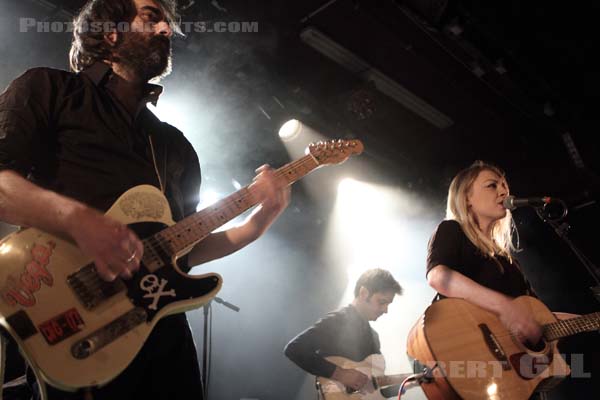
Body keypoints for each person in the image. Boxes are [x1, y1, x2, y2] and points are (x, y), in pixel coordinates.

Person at [0, 0, 290, 399]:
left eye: (167, 24)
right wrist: (78, 220)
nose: (166, 31)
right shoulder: (50, 89)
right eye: (152, 17)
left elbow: (180, 251)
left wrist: (259, 222)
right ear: (110, 30)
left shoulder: (175, 146)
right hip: (73, 321)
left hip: (161, 335)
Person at [426, 161, 577, 347]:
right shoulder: (452, 229)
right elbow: (438, 278)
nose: (504, 191)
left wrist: (584, 322)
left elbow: (538, 317)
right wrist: (505, 306)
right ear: (466, 198)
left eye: (504, 185)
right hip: (464, 347)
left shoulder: (508, 260)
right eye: (492, 185)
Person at [284, 268, 402, 393]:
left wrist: (409, 382)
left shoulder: (374, 337)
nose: (385, 310)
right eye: (382, 302)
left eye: (388, 304)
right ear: (363, 293)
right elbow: (294, 348)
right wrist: (341, 374)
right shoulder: (338, 320)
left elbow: (373, 388)